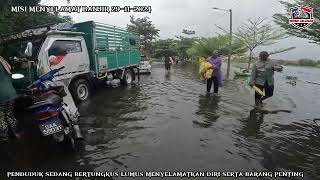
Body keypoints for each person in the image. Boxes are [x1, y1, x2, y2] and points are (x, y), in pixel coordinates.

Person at [0, 56, 21, 141]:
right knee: (9, 113)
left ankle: (4, 136)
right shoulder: (3, 62)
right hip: (11, 93)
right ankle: (15, 132)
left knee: (1, 116)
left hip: (1, 95)